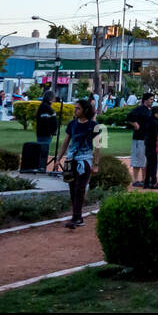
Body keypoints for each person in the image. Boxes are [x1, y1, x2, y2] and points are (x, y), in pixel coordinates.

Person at [57, 97, 100, 228]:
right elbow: (66, 141)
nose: (75, 110)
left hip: (84, 160)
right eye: (75, 108)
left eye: (78, 108)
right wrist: (59, 158)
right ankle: (76, 216)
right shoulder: (72, 124)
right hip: (71, 160)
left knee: (80, 189)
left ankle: (77, 217)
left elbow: (98, 146)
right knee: (71, 188)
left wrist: (96, 164)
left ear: (85, 110)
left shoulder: (94, 126)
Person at [127, 93, 154, 186]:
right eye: (150, 99)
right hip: (139, 138)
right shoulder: (139, 109)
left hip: (146, 138)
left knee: (145, 160)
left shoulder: (149, 111)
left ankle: (144, 179)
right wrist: (135, 124)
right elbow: (129, 116)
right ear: (145, 100)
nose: (152, 101)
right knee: (138, 159)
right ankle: (135, 180)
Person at [143, 104, 158, 189]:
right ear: (156, 114)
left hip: (148, 145)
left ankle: (147, 182)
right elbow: (156, 136)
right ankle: (153, 182)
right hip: (153, 145)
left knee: (149, 163)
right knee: (153, 164)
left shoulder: (149, 121)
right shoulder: (156, 123)